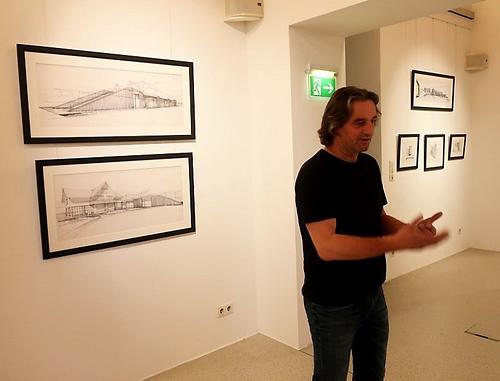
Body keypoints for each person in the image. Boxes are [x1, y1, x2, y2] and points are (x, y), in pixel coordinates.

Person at [294, 86, 448, 381]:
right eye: (359, 122)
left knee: (373, 374)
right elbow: (327, 246)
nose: (369, 130)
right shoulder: (314, 174)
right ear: (334, 124)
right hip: (332, 304)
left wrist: (408, 231)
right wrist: (395, 242)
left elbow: (377, 218)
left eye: (373, 121)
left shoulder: (368, 165)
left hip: (373, 295)